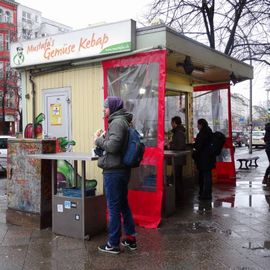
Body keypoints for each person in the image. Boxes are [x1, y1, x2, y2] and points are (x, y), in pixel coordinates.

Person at [94, 96, 136, 254]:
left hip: (114, 171)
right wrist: (105, 137)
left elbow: (113, 147)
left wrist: (98, 140)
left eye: (105, 107)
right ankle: (131, 239)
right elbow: (115, 143)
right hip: (121, 169)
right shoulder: (123, 121)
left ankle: (113, 243)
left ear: (112, 107)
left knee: (113, 207)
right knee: (123, 205)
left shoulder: (117, 122)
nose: (104, 110)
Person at [193, 118, 216, 200]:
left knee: (205, 177)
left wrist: (194, 148)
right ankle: (208, 193)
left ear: (201, 125)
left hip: (203, 159)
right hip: (210, 158)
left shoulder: (201, 134)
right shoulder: (209, 132)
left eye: (198, 124)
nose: (197, 126)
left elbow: (198, 147)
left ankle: (205, 194)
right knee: (208, 176)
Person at [168, 116, 186, 200]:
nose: (171, 124)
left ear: (175, 123)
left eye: (172, 123)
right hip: (178, 159)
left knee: (176, 178)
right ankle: (179, 196)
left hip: (178, 159)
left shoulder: (179, 132)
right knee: (176, 178)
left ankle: (179, 197)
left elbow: (180, 146)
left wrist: (170, 145)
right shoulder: (178, 132)